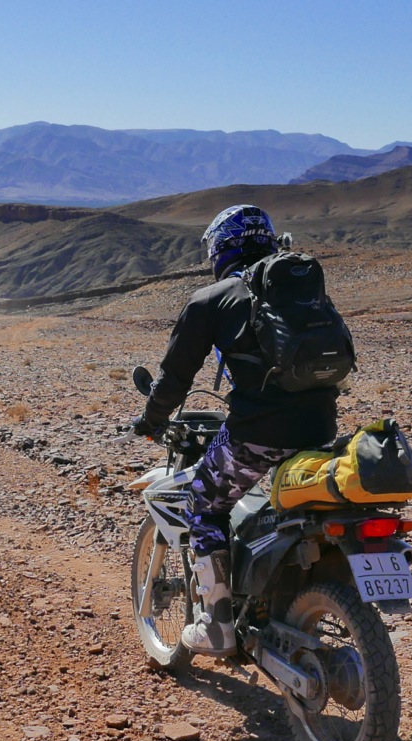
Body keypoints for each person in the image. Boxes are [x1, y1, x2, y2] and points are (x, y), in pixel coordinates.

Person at [133, 205, 340, 656]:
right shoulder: (302, 288)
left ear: (221, 248)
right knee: (284, 508)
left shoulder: (212, 299)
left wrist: (151, 419)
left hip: (257, 432)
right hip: (321, 427)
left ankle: (217, 624)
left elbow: (174, 378)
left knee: (203, 502)